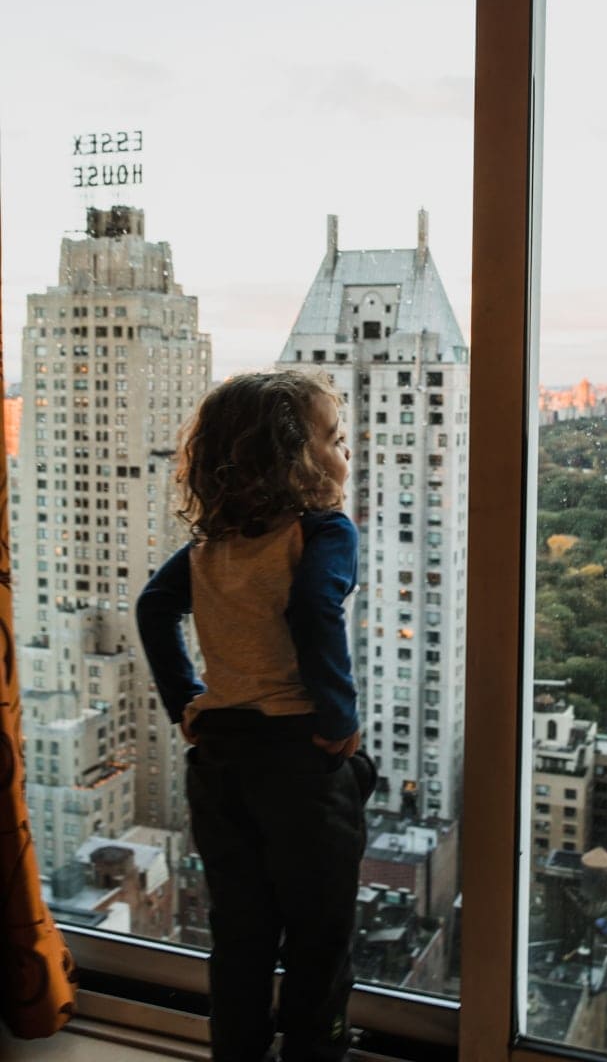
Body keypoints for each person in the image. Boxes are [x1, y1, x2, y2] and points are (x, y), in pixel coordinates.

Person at [136, 370, 375, 1062]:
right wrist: (338, 715)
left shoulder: (212, 549)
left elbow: (155, 610)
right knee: (318, 935)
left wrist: (185, 701)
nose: (345, 454)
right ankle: (314, 1051)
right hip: (299, 762)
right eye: (334, 439)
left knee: (239, 935)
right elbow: (311, 607)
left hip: (220, 761)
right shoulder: (324, 532)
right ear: (296, 460)